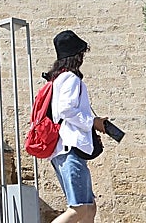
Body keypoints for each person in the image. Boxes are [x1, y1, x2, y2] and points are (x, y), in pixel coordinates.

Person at [45, 30, 109, 223]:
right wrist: (93, 122)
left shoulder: (57, 80)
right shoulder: (71, 79)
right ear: (76, 56)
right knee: (79, 210)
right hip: (70, 150)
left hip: (64, 151)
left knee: (89, 209)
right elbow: (66, 109)